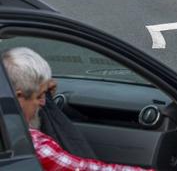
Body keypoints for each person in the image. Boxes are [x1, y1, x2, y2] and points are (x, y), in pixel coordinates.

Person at [2, 47, 153, 171]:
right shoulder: (30, 144)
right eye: (39, 96)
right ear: (18, 97)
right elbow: (81, 168)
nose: (43, 103)